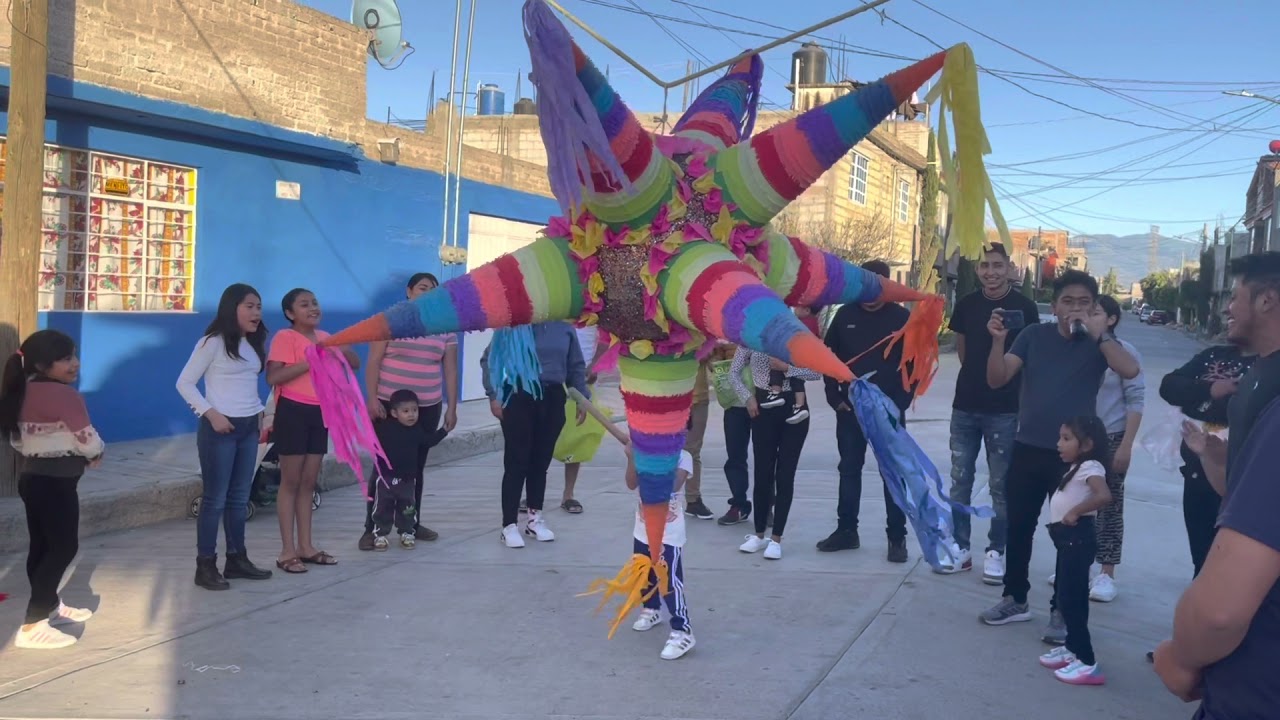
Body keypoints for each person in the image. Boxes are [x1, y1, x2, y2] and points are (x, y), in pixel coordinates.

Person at [1153, 252, 1280, 717]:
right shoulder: (1260, 376)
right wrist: (1215, 457)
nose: (1227, 306)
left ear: (1267, 300)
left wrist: (1182, 657)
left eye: (1236, 294)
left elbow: (1220, 611)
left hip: (1256, 689)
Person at [979, 270, 1139, 630]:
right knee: (1019, 526)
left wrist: (1102, 334)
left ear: (1095, 307)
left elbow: (1130, 369)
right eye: (1068, 301)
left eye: (1084, 302)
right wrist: (997, 342)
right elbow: (996, 378)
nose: (1075, 309)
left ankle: (1062, 608)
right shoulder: (1034, 336)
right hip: (1028, 447)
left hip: (1075, 456)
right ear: (1054, 306)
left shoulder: (1099, 345)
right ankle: (1014, 599)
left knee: (1070, 533)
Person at [0, 330, 104, 649]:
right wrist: (95, 453)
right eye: (65, 358)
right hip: (57, 483)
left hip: (33, 479)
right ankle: (33, 624)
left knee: (42, 548)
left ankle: (50, 607)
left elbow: (18, 440)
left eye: (73, 355)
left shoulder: (21, 390)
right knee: (63, 548)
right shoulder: (65, 396)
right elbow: (87, 438)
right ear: (43, 364)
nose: (74, 363)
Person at [941, 243, 1038, 582]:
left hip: (1005, 411)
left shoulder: (1024, 307)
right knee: (959, 481)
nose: (990, 272)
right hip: (965, 407)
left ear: (1010, 268)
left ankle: (996, 550)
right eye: (984, 265)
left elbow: (1028, 359)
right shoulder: (967, 304)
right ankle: (959, 547)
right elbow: (965, 351)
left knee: (1001, 485)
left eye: (997, 265)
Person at [176, 283, 273, 590]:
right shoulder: (212, 343)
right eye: (249, 306)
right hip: (220, 429)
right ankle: (205, 566)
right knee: (215, 499)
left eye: (258, 306)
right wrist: (211, 414)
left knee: (239, 497)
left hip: (248, 428)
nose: (256, 312)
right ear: (232, 308)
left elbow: (247, 385)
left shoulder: (252, 343)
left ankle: (237, 559)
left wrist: (260, 414)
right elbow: (184, 383)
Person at [818, 260, 915, 562]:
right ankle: (847, 531)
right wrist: (834, 397)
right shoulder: (845, 314)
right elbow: (827, 357)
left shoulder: (902, 318)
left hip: (887, 410)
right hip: (850, 411)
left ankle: (896, 537)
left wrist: (900, 401)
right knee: (849, 469)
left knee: (892, 473)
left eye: (880, 285)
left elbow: (915, 364)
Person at [359, 273, 458, 550]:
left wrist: (452, 406)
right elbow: (373, 362)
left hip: (426, 407)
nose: (427, 293)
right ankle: (372, 528)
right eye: (422, 288)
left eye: (432, 289)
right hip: (388, 409)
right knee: (383, 469)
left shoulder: (445, 326)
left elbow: (450, 368)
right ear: (409, 291)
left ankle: (410, 524)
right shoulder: (389, 319)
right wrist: (371, 399)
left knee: (414, 469)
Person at [266, 288, 359, 573]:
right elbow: (274, 376)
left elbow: (353, 364)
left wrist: (340, 348)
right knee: (290, 482)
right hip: (293, 412)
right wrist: (310, 360)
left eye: (315, 303)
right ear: (290, 314)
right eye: (304, 305)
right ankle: (286, 551)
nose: (312, 308)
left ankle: (306, 547)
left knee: (308, 483)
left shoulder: (325, 337)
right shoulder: (285, 337)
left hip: (320, 412)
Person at [481, 322, 589, 548]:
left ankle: (534, 519)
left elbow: (575, 366)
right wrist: (493, 395)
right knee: (517, 462)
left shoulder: (563, 327)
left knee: (540, 462)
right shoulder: (512, 326)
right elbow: (489, 360)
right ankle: (509, 525)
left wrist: (582, 398)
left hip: (552, 396)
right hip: (518, 394)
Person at [1159, 344, 1255, 576]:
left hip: (1244, 474)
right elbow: (1170, 386)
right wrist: (1210, 388)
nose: (1229, 311)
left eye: (1236, 305)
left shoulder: (1268, 366)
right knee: (1201, 553)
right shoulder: (1215, 354)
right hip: (1197, 467)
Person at [1038, 416, 1112, 686]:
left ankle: (1087, 661)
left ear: (1087, 444)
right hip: (1067, 540)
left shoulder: (1091, 466)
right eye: (1060, 437)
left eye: (1067, 438)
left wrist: (1075, 511)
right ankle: (1072, 649)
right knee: (1065, 595)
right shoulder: (1077, 466)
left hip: (1077, 538)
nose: (1059, 444)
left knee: (1072, 600)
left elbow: (1104, 496)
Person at [730, 346, 819, 560]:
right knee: (762, 473)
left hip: (794, 408)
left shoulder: (794, 336)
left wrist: (788, 369)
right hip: (763, 406)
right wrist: (747, 397)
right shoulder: (750, 338)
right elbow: (734, 372)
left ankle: (776, 538)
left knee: (785, 475)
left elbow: (817, 371)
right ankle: (759, 534)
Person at [625, 438, 696, 660]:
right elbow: (631, 483)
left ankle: (682, 630)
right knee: (644, 572)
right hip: (642, 528)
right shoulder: (643, 455)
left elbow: (671, 486)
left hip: (669, 533)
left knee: (669, 580)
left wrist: (651, 461)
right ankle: (652, 609)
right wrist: (631, 459)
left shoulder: (684, 457)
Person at [369, 389, 449, 550]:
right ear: (394, 412)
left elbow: (428, 441)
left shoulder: (417, 430)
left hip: (407, 480)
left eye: (414, 410)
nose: (411, 415)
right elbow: (370, 432)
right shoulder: (384, 428)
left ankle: (406, 532)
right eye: (405, 411)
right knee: (382, 507)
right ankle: (380, 534)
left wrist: (444, 431)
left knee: (407, 507)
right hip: (386, 478)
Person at [557, 325, 605, 514]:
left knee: (577, 438)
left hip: (582, 379)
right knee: (540, 438)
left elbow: (606, 338)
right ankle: (533, 494)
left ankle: (568, 495)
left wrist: (595, 365)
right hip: (551, 376)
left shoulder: (594, 301)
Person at [708, 342, 756, 525]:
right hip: (734, 406)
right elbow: (711, 360)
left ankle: (767, 506)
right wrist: (717, 359)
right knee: (735, 458)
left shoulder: (761, 332)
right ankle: (738, 504)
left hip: (763, 403)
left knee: (766, 458)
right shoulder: (724, 332)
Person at [680, 357, 715, 520]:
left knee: (692, 451)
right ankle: (657, 499)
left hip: (698, 398)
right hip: (670, 397)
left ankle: (693, 500)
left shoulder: (704, 334)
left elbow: (715, 364)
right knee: (662, 450)